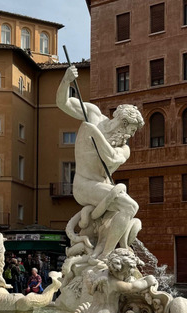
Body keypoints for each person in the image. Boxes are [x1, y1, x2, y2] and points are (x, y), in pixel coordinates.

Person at [57, 65, 145, 259]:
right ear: (122, 123)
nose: (130, 136)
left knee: (130, 208)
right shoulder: (93, 115)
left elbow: (111, 159)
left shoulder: (124, 149)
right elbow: (62, 103)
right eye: (130, 130)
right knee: (130, 206)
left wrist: (94, 133)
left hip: (103, 187)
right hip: (84, 185)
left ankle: (106, 252)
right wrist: (66, 80)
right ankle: (105, 257)